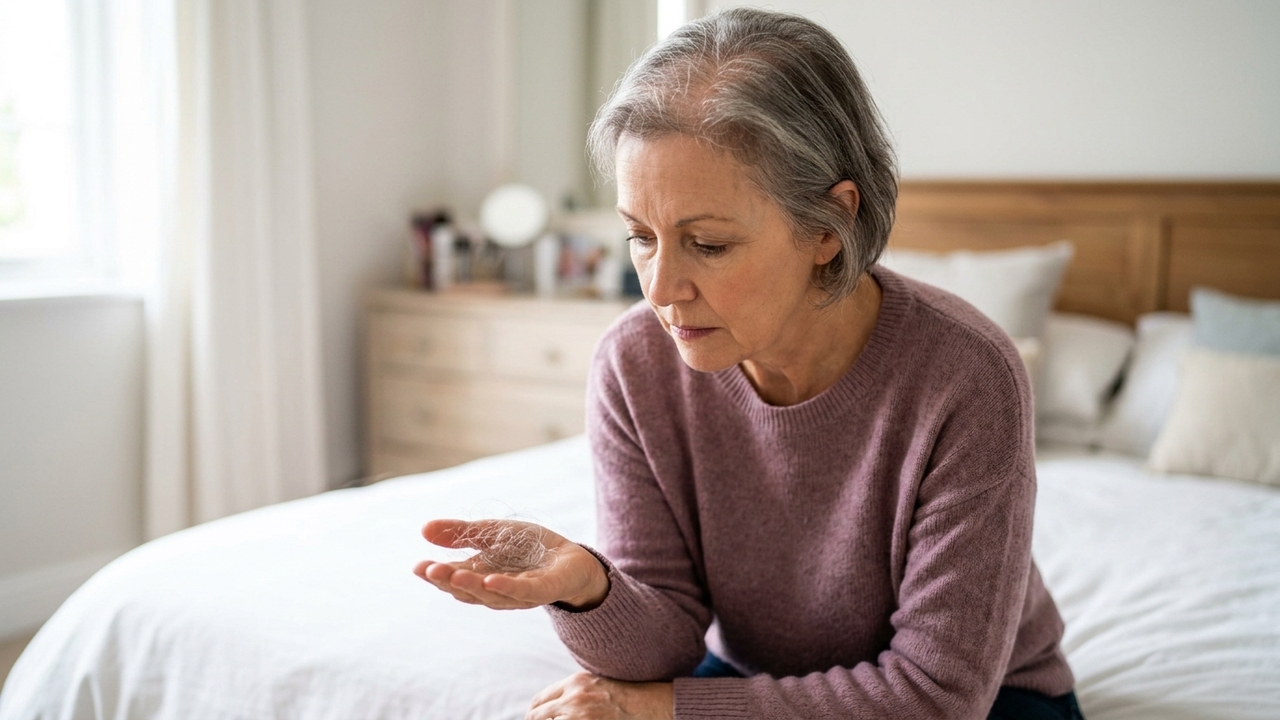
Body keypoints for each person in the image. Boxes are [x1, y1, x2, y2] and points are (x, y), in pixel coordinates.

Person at [414, 7, 1083, 719]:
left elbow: (937, 696)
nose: (662, 290)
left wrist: (662, 710)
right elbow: (665, 646)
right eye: (641, 237)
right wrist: (588, 586)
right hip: (750, 678)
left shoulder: (967, 374)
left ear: (829, 226)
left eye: (708, 244)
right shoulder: (634, 363)